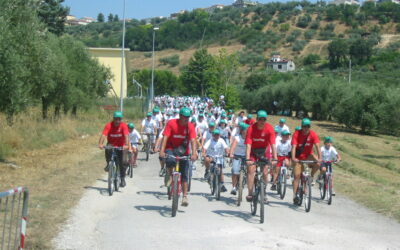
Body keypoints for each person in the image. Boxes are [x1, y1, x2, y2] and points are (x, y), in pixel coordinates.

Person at [160, 108, 198, 207]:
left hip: (184, 151)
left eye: (188, 117)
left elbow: (193, 140)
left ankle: (185, 196)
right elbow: (165, 137)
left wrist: (194, 153)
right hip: (170, 148)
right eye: (184, 117)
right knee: (170, 160)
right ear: (180, 116)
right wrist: (161, 151)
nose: (186, 119)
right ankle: (169, 175)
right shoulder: (171, 123)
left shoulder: (190, 126)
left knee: (185, 175)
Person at [245, 110, 277, 202]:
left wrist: (275, 158)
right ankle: (250, 193)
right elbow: (248, 145)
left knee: (265, 172)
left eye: (264, 119)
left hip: (264, 151)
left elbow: (273, 145)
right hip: (253, 151)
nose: (262, 121)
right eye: (260, 119)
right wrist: (247, 159)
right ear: (257, 119)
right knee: (251, 170)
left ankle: (264, 190)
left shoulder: (269, 128)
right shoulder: (251, 128)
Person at [291, 118, 321, 204]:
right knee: (297, 176)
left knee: (318, 164)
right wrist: (293, 158)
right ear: (301, 127)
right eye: (304, 126)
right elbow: (293, 147)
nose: (306, 128)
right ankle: (295, 195)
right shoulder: (296, 134)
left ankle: (310, 177)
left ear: (309, 127)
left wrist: (319, 158)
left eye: (308, 126)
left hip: (308, 156)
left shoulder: (313, 134)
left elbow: (317, 147)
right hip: (298, 157)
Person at [98, 111, 132, 187]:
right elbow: (103, 135)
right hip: (111, 144)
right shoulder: (108, 125)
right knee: (108, 148)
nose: (117, 121)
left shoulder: (123, 126)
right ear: (113, 119)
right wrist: (100, 144)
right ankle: (108, 164)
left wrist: (126, 145)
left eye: (119, 119)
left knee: (122, 162)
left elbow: (126, 136)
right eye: (116, 119)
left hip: (121, 145)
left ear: (121, 119)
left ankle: (122, 178)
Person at [229, 123, 249, 195]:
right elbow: (233, 146)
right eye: (245, 130)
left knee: (250, 170)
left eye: (247, 130)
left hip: (245, 157)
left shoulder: (249, 138)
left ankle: (245, 181)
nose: (246, 132)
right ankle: (234, 187)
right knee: (235, 171)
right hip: (237, 156)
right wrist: (231, 154)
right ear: (242, 131)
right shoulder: (237, 137)